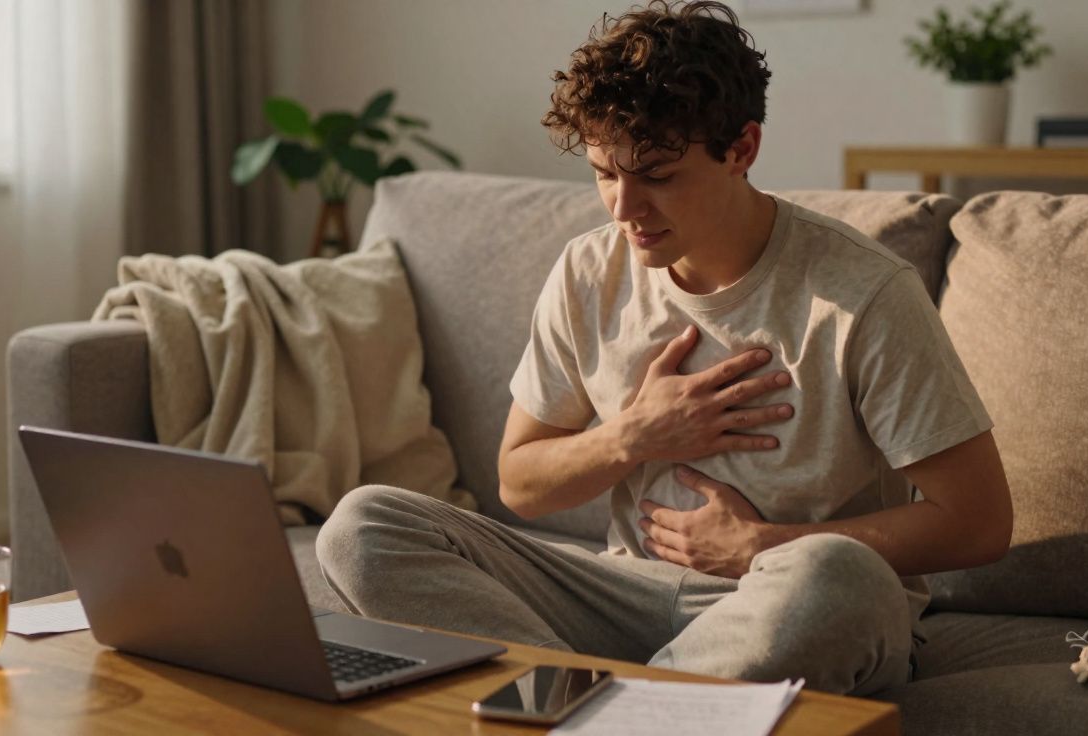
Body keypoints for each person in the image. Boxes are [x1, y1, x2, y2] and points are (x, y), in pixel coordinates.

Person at [316, 0, 1012, 696]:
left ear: (742, 149)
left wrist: (759, 548)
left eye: (656, 175)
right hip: (625, 592)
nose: (623, 208)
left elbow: (978, 523)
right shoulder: (588, 272)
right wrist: (632, 437)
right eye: (603, 172)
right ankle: (600, 702)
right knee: (363, 526)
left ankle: (605, 709)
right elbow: (519, 484)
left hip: (782, 603)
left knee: (839, 578)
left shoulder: (863, 293)